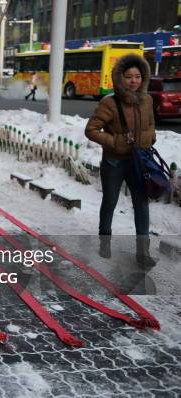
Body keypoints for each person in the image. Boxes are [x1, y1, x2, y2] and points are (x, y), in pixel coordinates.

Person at [85, 53, 157, 268]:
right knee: (110, 202)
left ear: (143, 78)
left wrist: (151, 137)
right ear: (120, 78)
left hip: (140, 162)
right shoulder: (110, 103)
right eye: (128, 77)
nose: (133, 81)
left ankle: (142, 253)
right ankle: (104, 241)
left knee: (142, 204)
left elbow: (151, 124)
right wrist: (116, 141)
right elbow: (91, 130)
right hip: (114, 162)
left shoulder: (148, 100)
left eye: (137, 76)